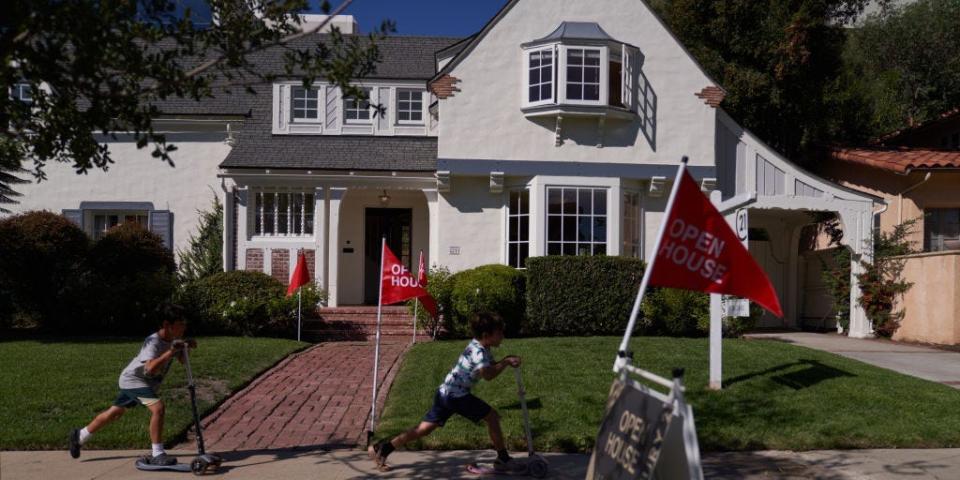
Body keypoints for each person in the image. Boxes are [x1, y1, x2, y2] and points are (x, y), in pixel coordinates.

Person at [368, 312, 521, 472]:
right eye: (499, 333)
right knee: (492, 417)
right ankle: (503, 458)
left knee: (423, 429)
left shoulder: (480, 345)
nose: (502, 336)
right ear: (486, 335)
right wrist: (505, 362)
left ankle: (383, 448)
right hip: (456, 396)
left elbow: (489, 366)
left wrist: (506, 360)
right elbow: (488, 375)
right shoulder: (479, 352)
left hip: (445, 392)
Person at [68, 303, 196, 466]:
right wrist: (171, 351)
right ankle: (158, 453)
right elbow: (149, 369)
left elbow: (184, 361)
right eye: (180, 324)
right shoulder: (153, 341)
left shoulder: (174, 340)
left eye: (184, 323)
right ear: (166, 325)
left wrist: (186, 348)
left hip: (142, 383)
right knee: (158, 408)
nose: (184, 327)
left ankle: (80, 436)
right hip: (133, 381)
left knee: (114, 413)